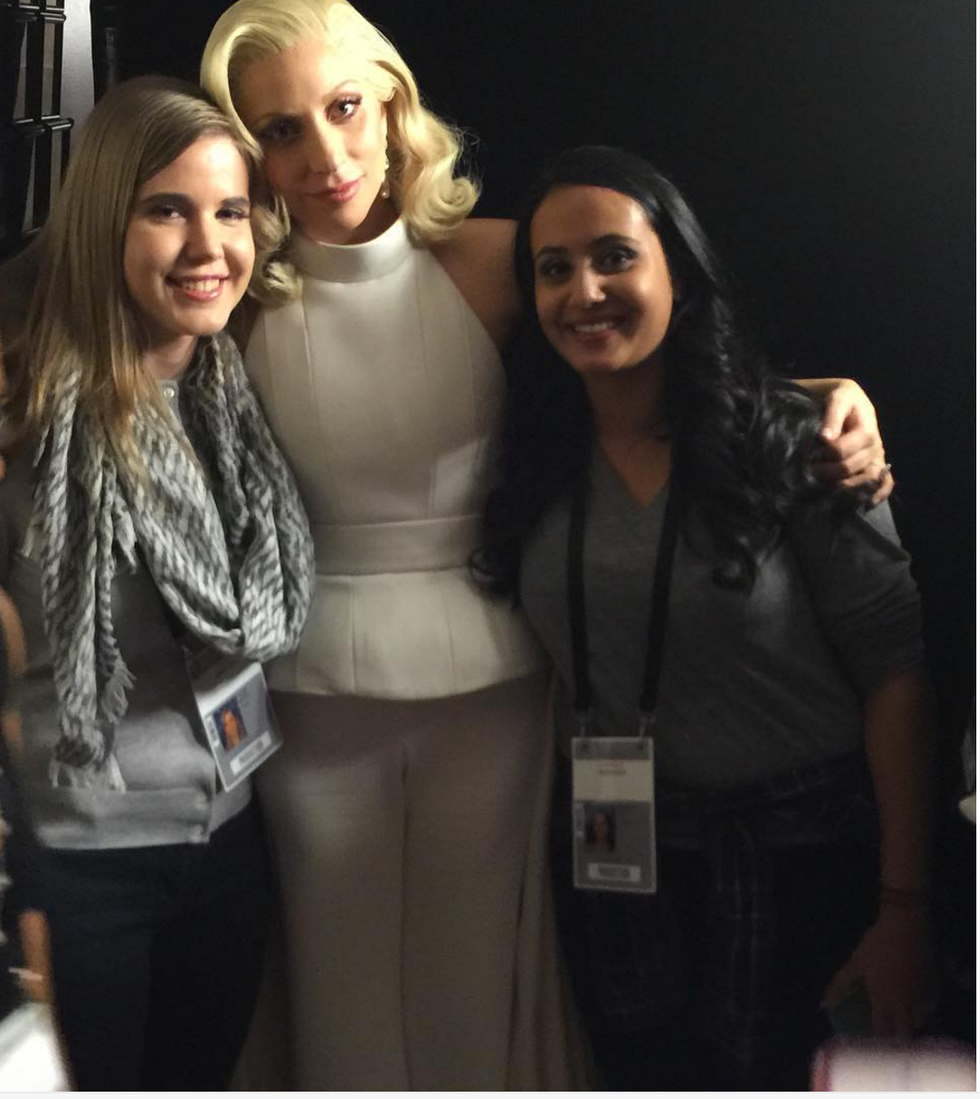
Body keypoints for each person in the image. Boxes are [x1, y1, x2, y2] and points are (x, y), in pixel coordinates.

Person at [201, 2, 894, 1088]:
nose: (326, 156)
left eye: (343, 108)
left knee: (483, 973)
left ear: (391, 101)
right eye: (281, 130)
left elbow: (644, 354)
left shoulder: (491, 260)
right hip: (304, 682)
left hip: (500, 674)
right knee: (329, 972)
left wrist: (817, 398)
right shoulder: (238, 297)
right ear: (247, 151)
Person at [479, 145, 936, 1090]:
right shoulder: (526, 458)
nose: (584, 290)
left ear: (678, 277)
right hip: (616, 872)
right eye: (554, 268)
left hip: (804, 867)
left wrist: (904, 905)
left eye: (614, 257)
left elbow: (897, 675)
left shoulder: (801, 444)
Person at [0, 76, 314, 1090]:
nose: (207, 246)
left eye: (231, 211)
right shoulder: (20, 395)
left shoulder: (238, 379)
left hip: (228, 838)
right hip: (76, 860)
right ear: (103, 219)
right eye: (167, 210)